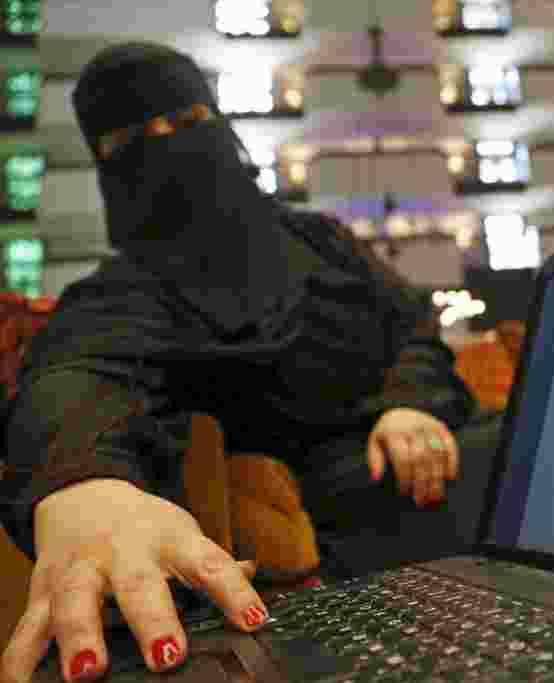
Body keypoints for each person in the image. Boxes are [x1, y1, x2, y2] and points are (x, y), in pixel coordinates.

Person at [0, 42, 502, 683]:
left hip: (432, 442)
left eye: (187, 123)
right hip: (334, 515)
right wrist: (86, 489)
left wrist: (409, 404)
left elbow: (412, 329)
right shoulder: (126, 291)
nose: (170, 147)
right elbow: (79, 375)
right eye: (133, 138)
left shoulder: (322, 240)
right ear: (107, 167)